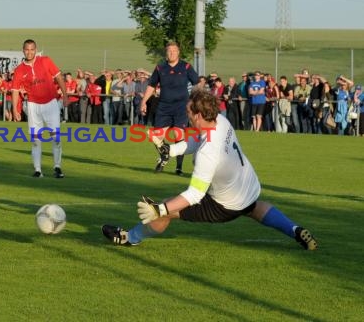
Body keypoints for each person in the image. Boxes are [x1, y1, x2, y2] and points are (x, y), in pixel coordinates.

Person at [102, 88, 318, 251]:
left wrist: (161, 210)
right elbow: (197, 140)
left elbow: (194, 194)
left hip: (224, 204)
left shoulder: (208, 154)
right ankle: (295, 231)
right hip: (248, 185)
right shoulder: (219, 121)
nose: (186, 114)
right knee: (254, 208)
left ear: (197, 115)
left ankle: (130, 238)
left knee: (166, 210)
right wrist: (170, 149)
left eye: (188, 111)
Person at [11, 39, 68, 178]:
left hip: (51, 103)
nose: (29, 52)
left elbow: (59, 77)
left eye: (32, 49)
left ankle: (57, 167)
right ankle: (37, 170)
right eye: (27, 49)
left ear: (36, 50)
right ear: (23, 50)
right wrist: (15, 109)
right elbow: (15, 90)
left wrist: (65, 95)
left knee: (56, 137)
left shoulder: (46, 61)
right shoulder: (19, 70)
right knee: (36, 140)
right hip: (33, 105)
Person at [141, 41, 198, 175]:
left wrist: (196, 100)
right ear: (166, 53)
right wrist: (143, 102)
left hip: (181, 107)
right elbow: (151, 86)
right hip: (163, 107)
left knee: (179, 136)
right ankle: (164, 155)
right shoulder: (160, 68)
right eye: (169, 51)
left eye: (174, 51)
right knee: (155, 136)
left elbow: (197, 83)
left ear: (178, 52)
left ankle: (178, 168)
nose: (171, 53)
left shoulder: (186, 66)